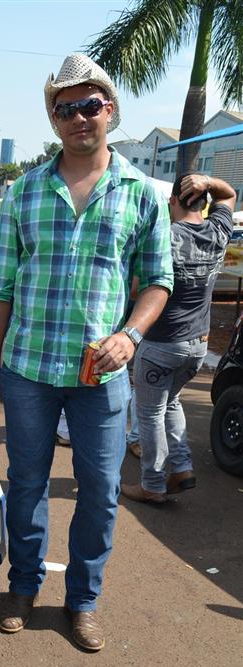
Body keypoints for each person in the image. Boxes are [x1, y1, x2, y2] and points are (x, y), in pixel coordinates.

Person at [0, 53, 173, 652]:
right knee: (27, 484)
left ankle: (83, 599)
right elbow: (0, 286)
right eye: (66, 109)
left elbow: (158, 281)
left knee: (101, 491)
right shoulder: (25, 191)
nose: (79, 117)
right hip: (28, 369)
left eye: (89, 105)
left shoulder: (140, 193)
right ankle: (23, 587)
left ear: (109, 110)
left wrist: (130, 335)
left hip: (101, 376)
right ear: (53, 119)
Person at [121, 173, 235, 504]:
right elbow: (229, 194)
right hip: (198, 344)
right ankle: (182, 468)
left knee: (149, 414)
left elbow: (136, 290)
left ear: (172, 201)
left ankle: (152, 484)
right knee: (170, 402)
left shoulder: (164, 237)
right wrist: (207, 181)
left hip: (161, 343)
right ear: (204, 201)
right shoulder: (217, 230)